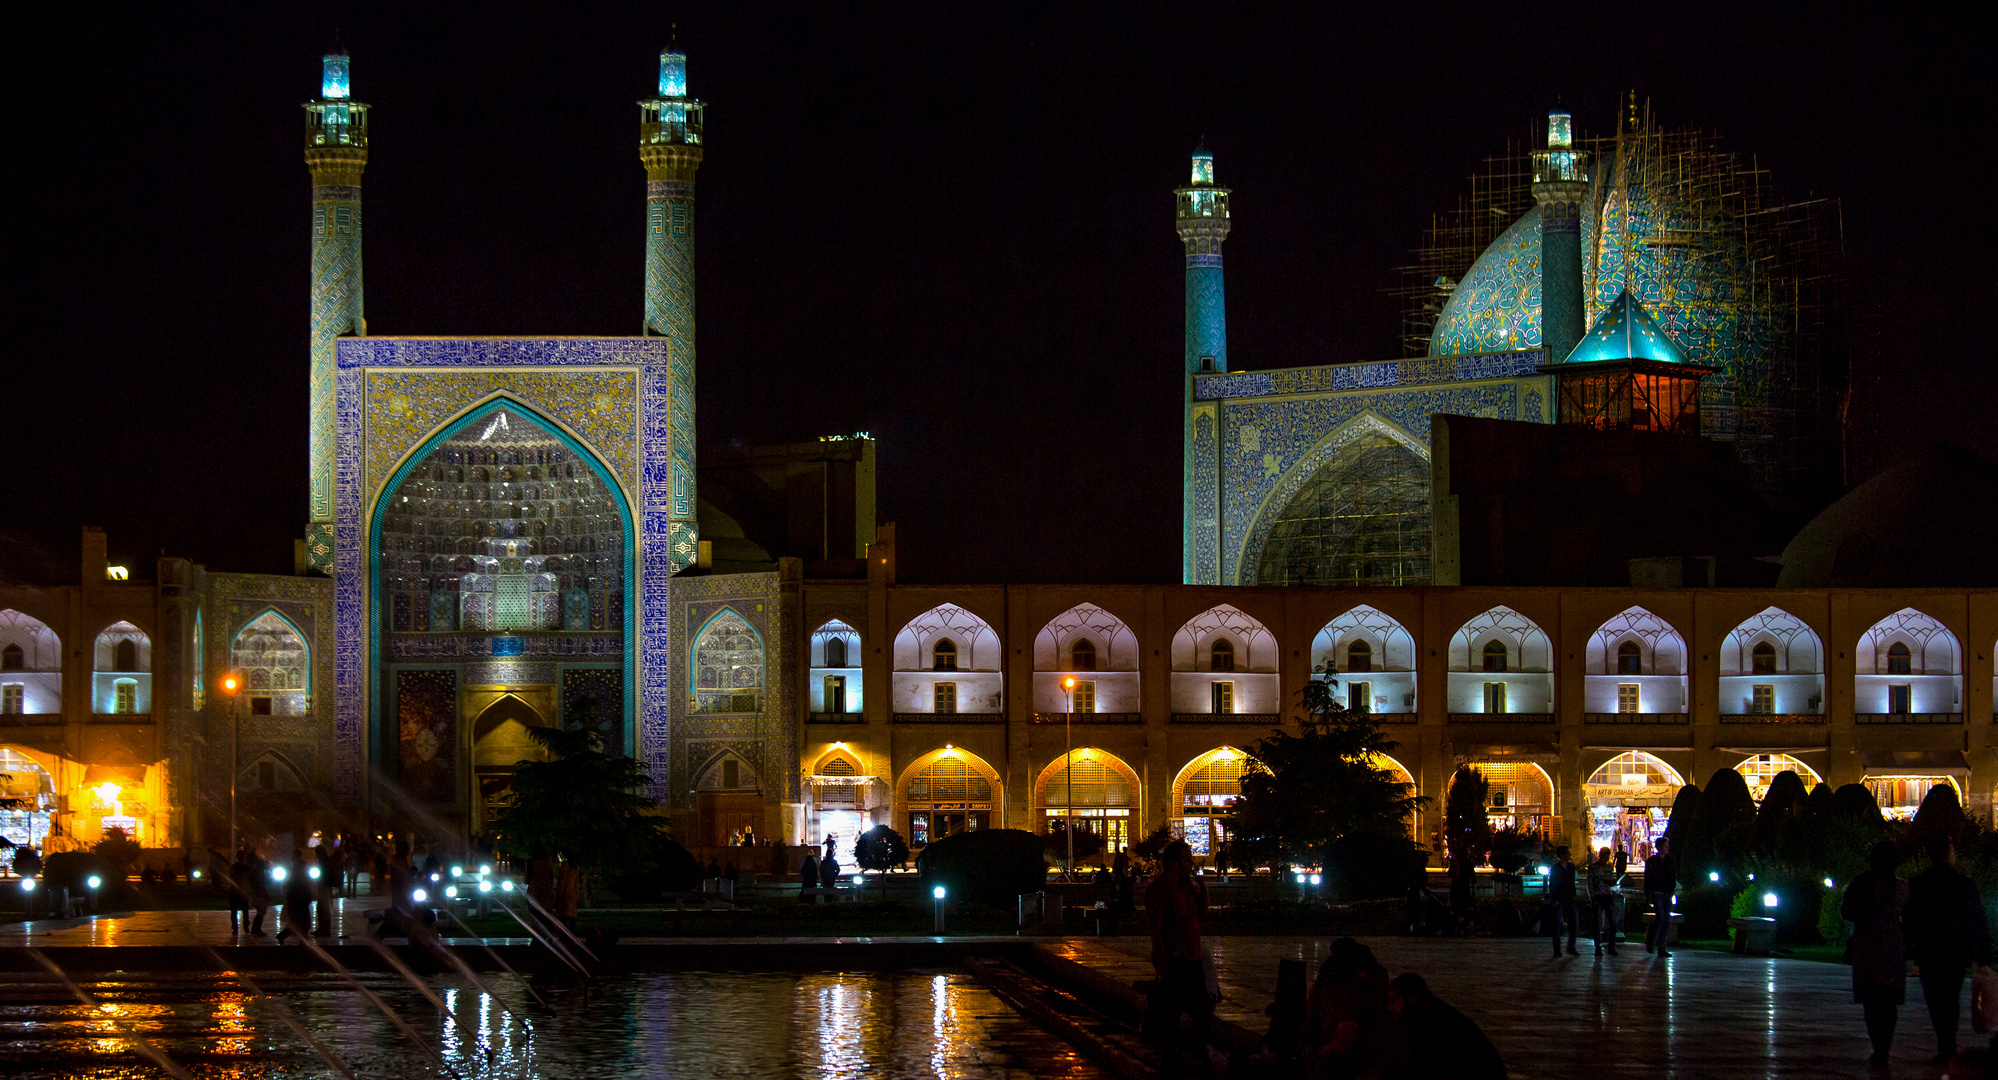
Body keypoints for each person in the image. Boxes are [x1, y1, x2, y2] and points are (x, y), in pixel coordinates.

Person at [1907, 835, 1994, 1064]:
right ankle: (1948, 1043)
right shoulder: (1963, 884)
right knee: (1951, 998)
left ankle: (1945, 1042)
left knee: (1935, 999)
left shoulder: (1919, 884)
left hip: (1929, 951)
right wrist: (1983, 954)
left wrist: (1909, 950)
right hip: (1955, 951)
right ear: (1949, 853)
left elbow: (1911, 920)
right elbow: (1978, 920)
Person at [1143, 839, 1212, 1070]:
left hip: (1192, 955)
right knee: (1174, 1010)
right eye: (1187, 860)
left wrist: (1202, 889)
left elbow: (1200, 917)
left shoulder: (1187, 886)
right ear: (1174, 863)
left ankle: (1193, 1051)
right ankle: (1172, 1055)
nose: (1191, 865)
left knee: (1201, 1007)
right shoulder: (1159, 889)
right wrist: (1162, 957)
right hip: (1175, 956)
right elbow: (1156, 926)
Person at [1843, 840, 1911, 1065]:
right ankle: (1884, 1046)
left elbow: (1847, 912)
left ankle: (1877, 1046)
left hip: (1867, 947)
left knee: (1871, 1001)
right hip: (1892, 949)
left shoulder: (1860, 884)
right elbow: (1911, 917)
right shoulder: (1902, 888)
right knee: (1889, 1001)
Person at [1302, 937, 1396, 1079]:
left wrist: (1317, 1053)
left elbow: (1343, 1042)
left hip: (1361, 1058)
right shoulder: (1337, 985)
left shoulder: (1355, 993)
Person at [1387, 973, 1506, 1080]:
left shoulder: (1430, 1023)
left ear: (1411, 999)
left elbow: (1427, 1067)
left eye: (1394, 1000)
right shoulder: (1439, 1015)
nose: (1389, 1007)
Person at [1642, 836, 1677, 957]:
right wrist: (1648, 894)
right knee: (1661, 917)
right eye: (1665, 846)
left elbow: (1672, 875)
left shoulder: (1669, 861)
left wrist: (1672, 888)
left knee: (1665, 919)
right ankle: (1652, 942)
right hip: (1657, 892)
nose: (1667, 848)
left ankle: (1661, 947)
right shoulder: (1652, 862)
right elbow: (1648, 878)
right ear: (1659, 847)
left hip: (1667, 892)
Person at [1588, 847, 1621, 957]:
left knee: (1612, 922)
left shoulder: (1609, 867)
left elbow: (1611, 880)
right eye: (1604, 855)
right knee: (1597, 923)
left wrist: (1613, 883)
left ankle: (1611, 946)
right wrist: (1592, 896)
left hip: (1607, 895)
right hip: (1598, 896)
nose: (1606, 857)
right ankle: (1597, 947)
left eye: (1607, 855)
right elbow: (1590, 882)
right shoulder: (1593, 868)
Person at [275, 849, 313, 944]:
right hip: (300, 897)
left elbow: (294, 881)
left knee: (297, 921)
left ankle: (289, 936)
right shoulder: (300, 867)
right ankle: (301, 939)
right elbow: (299, 881)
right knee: (301, 920)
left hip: (298, 897)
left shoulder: (297, 867)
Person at [1547, 846, 1579, 957]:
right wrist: (1554, 899)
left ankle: (1571, 946)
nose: (1569, 854)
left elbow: (1572, 883)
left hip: (1570, 897)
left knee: (1574, 923)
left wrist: (1574, 895)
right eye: (1567, 853)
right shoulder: (1556, 868)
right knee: (1557, 924)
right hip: (1559, 898)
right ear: (1561, 855)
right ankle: (1557, 949)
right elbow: (1552, 883)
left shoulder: (1571, 867)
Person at [227, 849, 251, 933]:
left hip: (243, 892)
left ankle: (245, 926)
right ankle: (235, 927)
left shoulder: (247, 867)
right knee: (235, 911)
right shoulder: (235, 867)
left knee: (245, 910)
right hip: (235, 892)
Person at [313, 846, 335, 936]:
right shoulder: (326, 861)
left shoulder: (325, 862)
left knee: (323, 908)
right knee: (321, 908)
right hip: (324, 887)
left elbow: (324, 876)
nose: (316, 855)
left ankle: (325, 930)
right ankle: (322, 929)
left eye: (317, 853)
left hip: (324, 887)